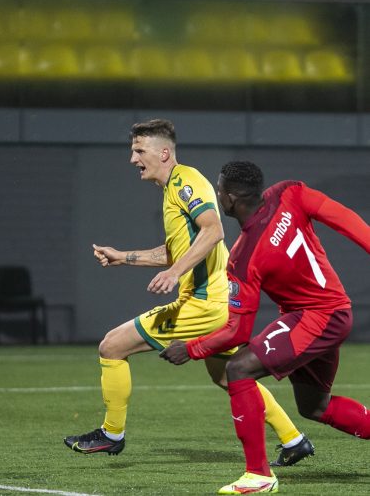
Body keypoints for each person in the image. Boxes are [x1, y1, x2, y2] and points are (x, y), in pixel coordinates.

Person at [64, 120, 310, 462]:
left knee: (111, 346)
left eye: (139, 151)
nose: (133, 159)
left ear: (163, 153)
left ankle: (111, 434)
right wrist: (125, 257)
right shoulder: (172, 190)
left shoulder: (186, 181)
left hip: (204, 303)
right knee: (228, 376)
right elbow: (178, 249)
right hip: (218, 302)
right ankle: (293, 439)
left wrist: (175, 273)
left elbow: (213, 232)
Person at [163, 161, 370, 494]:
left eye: (219, 191)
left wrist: (190, 348)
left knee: (239, 368)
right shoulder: (290, 192)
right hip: (331, 311)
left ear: (230, 199)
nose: (218, 196)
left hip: (317, 317)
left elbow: (237, 334)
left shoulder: (244, 257)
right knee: (314, 406)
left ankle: (258, 475)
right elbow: (343, 217)